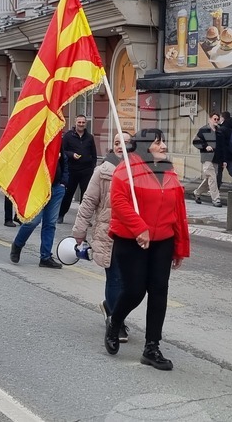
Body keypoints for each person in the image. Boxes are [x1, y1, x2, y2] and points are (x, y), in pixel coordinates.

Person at [104, 128, 190, 371]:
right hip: (131, 240)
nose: (163, 146)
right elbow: (118, 201)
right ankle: (115, 321)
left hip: (162, 240)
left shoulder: (169, 170)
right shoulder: (126, 169)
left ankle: (152, 347)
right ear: (144, 146)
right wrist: (140, 228)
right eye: (157, 142)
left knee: (159, 291)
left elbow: (178, 212)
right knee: (134, 291)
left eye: (163, 142)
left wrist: (180, 246)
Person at [72, 132, 131, 342]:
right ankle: (117, 321)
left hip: (133, 235)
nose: (120, 146)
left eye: (125, 143)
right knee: (115, 278)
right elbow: (88, 202)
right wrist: (79, 232)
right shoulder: (102, 172)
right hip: (109, 234)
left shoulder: (140, 173)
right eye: (116, 143)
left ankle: (111, 308)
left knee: (131, 283)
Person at [9, 141, 67, 268]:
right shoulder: (35, 138)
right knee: (33, 221)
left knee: (50, 224)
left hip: (56, 188)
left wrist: (63, 182)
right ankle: (17, 245)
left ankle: (45, 257)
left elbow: (64, 161)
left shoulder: (57, 139)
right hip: (37, 188)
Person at [59, 114, 97, 223]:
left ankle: (84, 219)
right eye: (79, 122)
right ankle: (61, 215)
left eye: (83, 122)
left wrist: (92, 167)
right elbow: (63, 151)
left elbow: (94, 154)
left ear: (86, 123)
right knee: (68, 194)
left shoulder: (89, 137)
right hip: (72, 170)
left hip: (86, 171)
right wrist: (72, 155)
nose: (81, 124)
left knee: (86, 196)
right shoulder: (68, 136)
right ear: (75, 123)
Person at [192, 113, 223, 207]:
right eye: (215, 119)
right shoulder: (204, 130)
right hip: (207, 158)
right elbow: (195, 141)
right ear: (210, 119)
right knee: (212, 177)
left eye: (218, 119)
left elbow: (222, 147)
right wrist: (205, 146)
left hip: (216, 158)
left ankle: (197, 192)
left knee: (209, 178)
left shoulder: (219, 131)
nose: (216, 121)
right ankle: (216, 199)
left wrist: (224, 160)